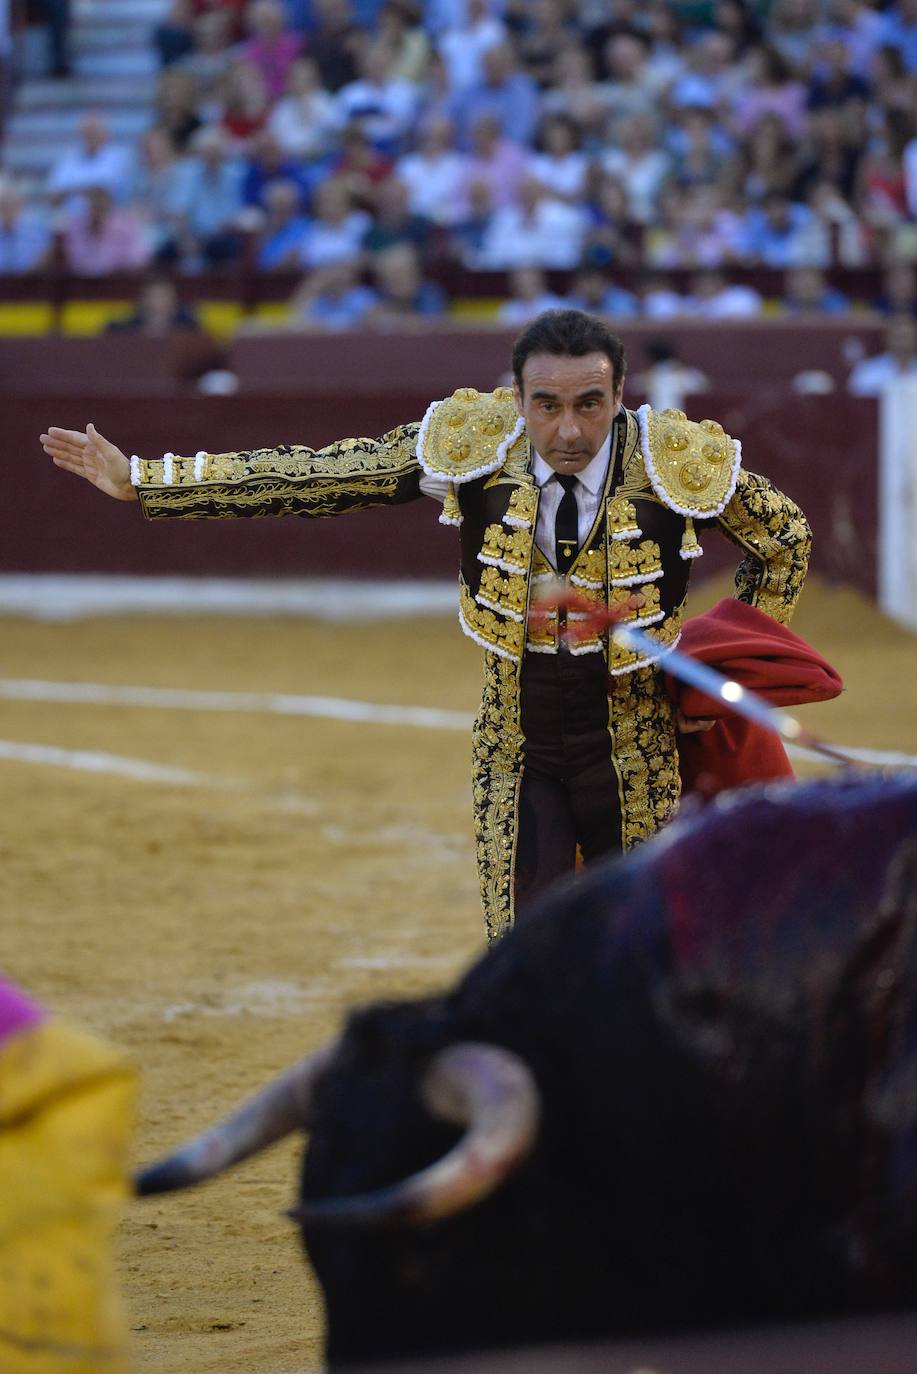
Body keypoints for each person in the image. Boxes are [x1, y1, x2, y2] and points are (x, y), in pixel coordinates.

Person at [40, 310, 811, 943]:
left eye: (589, 402)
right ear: (515, 398)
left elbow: (783, 542)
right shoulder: (472, 446)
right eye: (546, 403)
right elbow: (322, 474)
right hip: (520, 742)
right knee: (525, 955)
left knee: (646, 947)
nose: (568, 428)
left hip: (636, 740)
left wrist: (723, 652)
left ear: (618, 395)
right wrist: (146, 480)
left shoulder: (673, 461)